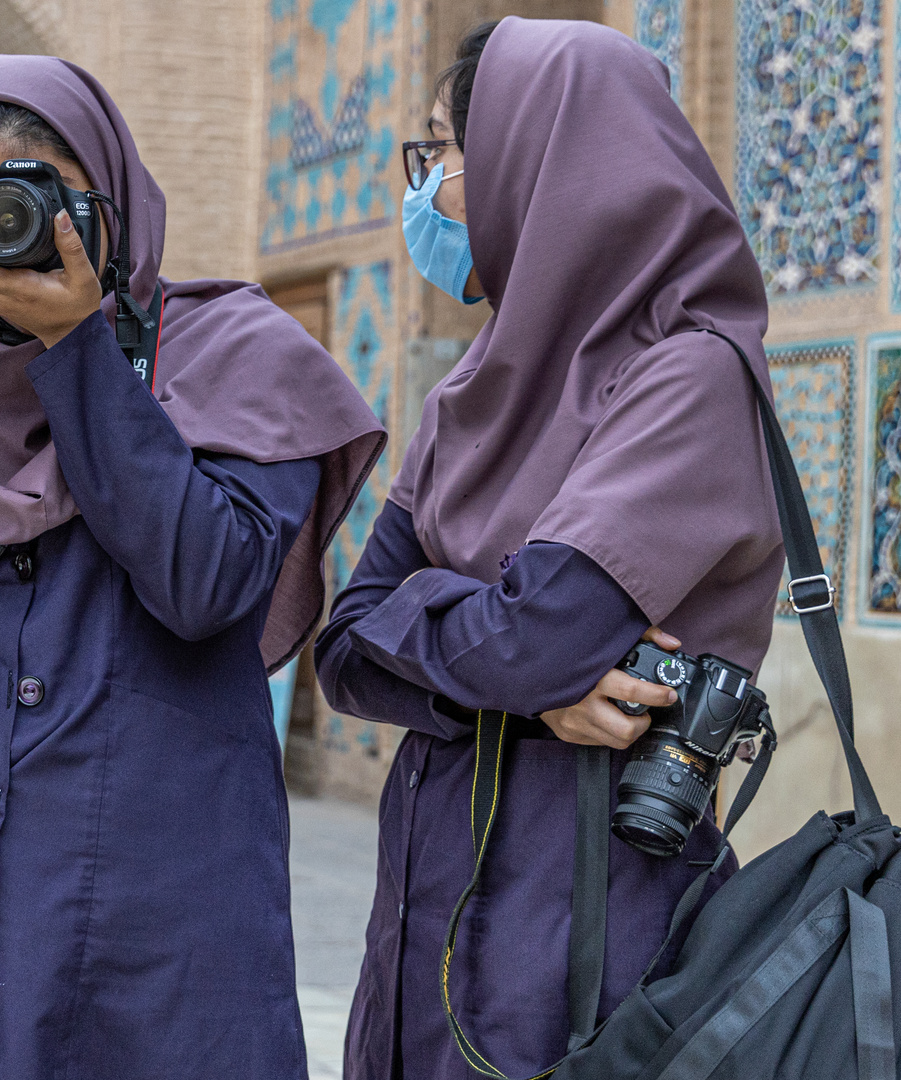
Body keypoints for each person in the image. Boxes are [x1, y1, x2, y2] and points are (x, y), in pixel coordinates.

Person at [0, 55, 386, 1079]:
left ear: (112, 201)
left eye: (50, 199)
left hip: (148, 933)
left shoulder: (237, 354)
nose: (21, 231)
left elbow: (205, 583)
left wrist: (76, 345)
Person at [314, 18, 783, 1080]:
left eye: (444, 150)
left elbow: (530, 634)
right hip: (423, 926)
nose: (429, 187)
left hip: (577, 929)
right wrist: (519, 686)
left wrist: (451, 633)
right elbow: (339, 650)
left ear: (541, 161)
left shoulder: (687, 377)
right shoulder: (474, 391)